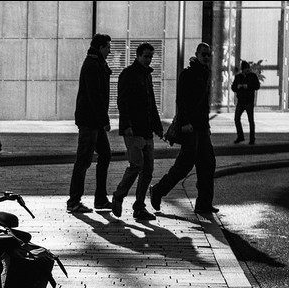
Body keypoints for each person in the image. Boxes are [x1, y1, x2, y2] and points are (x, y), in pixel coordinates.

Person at [151, 42, 218, 218]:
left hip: (202, 128)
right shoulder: (188, 74)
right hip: (190, 128)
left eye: (208, 54)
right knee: (183, 166)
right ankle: (157, 191)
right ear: (196, 54)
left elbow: (204, 105)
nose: (206, 57)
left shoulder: (206, 73)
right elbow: (181, 101)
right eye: (203, 54)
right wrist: (185, 123)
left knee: (208, 164)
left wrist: (207, 126)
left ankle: (204, 204)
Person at [111, 42, 163, 221]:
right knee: (136, 165)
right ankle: (119, 196)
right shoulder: (128, 74)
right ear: (138, 55)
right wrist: (126, 126)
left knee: (147, 169)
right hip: (134, 130)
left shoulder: (147, 76)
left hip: (147, 129)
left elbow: (151, 103)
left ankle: (139, 206)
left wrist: (157, 126)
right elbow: (122, 101)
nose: (149, 60)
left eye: (151, 57)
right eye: (146, 56)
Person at [67, 33, 113, 213]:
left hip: (93, 120)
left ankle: (100, 199)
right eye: (108, 47)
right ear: (100, 47)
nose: (109, 51)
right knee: (83, 160)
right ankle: (74, 201)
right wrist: (105, 120)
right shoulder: (92, 65)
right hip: (90, 120)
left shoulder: (97, 62)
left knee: (105, 154)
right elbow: (95, 96)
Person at [232, 61, 261, 144]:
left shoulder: (252, 76)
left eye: (248, 68)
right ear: (243, 69)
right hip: (241, 101)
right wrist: (238, 87)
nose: (247, 70)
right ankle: (240, 136)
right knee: (237, 118)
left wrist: (247, 86)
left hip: (249, 101)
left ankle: (252, 138)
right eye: (245, 69)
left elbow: (257, 86)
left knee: (250, 120)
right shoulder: (238, 77)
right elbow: (233, 87)